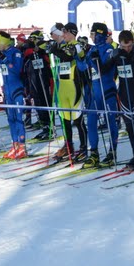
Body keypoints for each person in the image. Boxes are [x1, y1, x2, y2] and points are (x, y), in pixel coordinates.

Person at [104, 30, 134, 170]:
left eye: (129, 45)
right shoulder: (116, 53)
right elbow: (105, 69)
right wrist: (94, 60)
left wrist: (132, 57)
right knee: (130, 128)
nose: (127, 49)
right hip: (124, 95)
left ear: (133, 42)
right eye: (124, 47)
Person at [48, 22, 88, 163]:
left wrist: (54, 50)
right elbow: (60, 55)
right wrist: (52, 49)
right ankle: (69, 147)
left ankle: (83, 148)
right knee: (65, 120)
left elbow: (68, 56)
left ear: (72, 33)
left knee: (78, 120)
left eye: (65, 32)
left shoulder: (77, 45)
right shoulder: (63, 45)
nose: (63, 35)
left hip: (74, 87)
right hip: (63, 88)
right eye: (62, 32)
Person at [82, 22, 119, 168]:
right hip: (94, 91)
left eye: (92, 34)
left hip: (107, 89)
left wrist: (96, 60)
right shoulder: (93, 50)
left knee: (110, 121)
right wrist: (80, 55)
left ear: (99, 35)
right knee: (91, 121)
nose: (91, 36)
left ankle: (112, 152)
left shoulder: (109, 49)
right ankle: (94, 153)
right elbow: (82, 67)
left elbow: (105, 70)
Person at [0, 31, 28, 160]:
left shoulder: (15, 52)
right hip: (7, 91)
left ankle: (22, 146)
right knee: (11, 119)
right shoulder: (3, 54)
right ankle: (15, 145)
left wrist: (5, 59)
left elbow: (16, 69)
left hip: (17, 90)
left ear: (4, 43)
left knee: (19, 118)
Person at [23, 30, 54, 141]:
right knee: (38, 102)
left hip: (45, 79)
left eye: (34, 39)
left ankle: (50, 126)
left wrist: (40, 51)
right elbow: (26, 53)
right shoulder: (30, 49)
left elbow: (48, 57)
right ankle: (44, 126)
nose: (32, 41)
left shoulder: (44, 47)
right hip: (34, 79)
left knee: (46, 101)